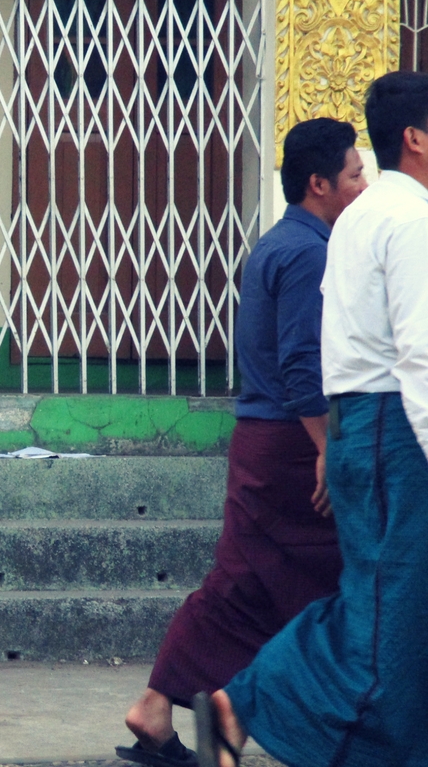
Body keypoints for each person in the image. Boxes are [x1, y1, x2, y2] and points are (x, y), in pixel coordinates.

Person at [193, 70, 428, 767]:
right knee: (388, 612)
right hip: (395, 426)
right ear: (415, 138)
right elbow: (420, 350)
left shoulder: (358, 217)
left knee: (383, 601)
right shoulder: (410, 220)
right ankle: (247, 701)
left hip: (364, 422)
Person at [117, 118, 367, 767]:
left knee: (240, 588)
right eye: (354, 175)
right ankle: (317, 726)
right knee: (339, 588)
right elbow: (302, 367)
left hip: (262, 442)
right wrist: (326, 449)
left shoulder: (279, 243)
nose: (363, 186)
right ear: (319, 184)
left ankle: (158, 707)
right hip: (291, 448)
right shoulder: (311, 252)